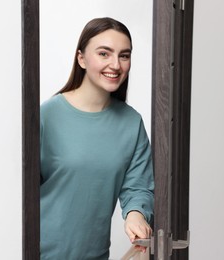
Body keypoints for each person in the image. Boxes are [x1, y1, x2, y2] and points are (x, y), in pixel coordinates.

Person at [40, 17, 154, 259]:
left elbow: (138, 187)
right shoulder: (45, 116)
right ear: (81, 58)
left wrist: (135, 214)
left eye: (124, 55)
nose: (115, 64)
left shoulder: (132, 123)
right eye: (104, 53)